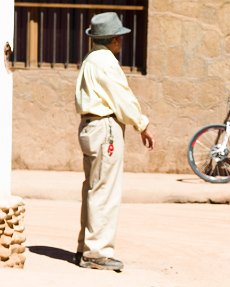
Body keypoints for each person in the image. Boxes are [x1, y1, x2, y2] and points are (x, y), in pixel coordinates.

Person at [74, 12, 154, 272]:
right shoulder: (105, 61)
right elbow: (122, 97)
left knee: (93, 188)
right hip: (104, 127)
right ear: (114, 39)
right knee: (104, 191)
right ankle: (96, 252)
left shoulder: (91, 60)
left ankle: (86, 248)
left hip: (90, 127)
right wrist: (141, 123)